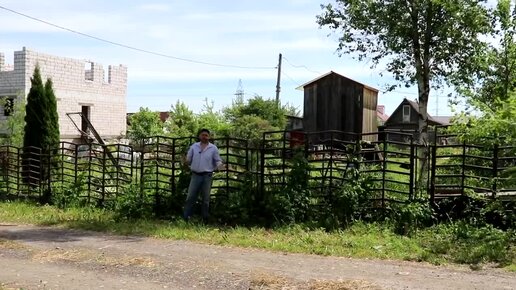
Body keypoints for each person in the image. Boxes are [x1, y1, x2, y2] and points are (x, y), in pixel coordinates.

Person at [183, 128, 224, 222]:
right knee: (190, 197)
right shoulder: (194, 146)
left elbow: (217, 160)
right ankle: (186, 217)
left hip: (207, 176)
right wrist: (185, 162)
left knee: (205, 199)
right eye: (203, 135)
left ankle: (204, 219)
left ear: (209, 137)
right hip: (195, 175)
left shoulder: (213, 148)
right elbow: (188, 159)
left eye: (206, 135)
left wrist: (221, 166)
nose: (204, 137)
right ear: (199, 136)